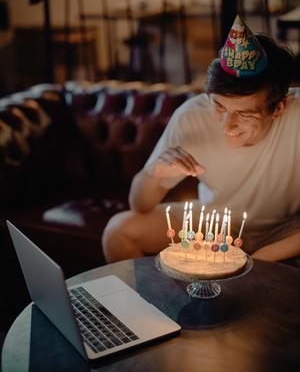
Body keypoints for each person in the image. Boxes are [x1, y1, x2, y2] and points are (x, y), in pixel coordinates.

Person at [102, 15, 300, 264]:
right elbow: (138, 205)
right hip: (214, 225)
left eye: (244, 113)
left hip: (285, 230)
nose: (226, 125)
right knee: (119, 231)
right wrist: (156, 174)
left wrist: (260, 260)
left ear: (278, 108)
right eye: (219, 106)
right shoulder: (190, 116)